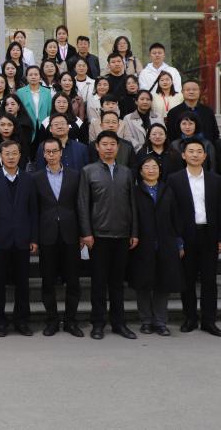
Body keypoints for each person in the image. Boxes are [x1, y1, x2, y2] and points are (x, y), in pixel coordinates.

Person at [163, 138, 221, 336]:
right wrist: (176, 239)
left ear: (205, 156)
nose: (195, 154)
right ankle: (190, 318)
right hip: (186, 236)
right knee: (188, 280)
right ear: (183, 155)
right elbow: (171, 211)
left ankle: (209, 321)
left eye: (199, 151)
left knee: (209, 280)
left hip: (209, 235)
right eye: (191, 151)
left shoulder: (215, 180)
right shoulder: (174, 180)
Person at [78, 130, 139, 340]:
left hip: (122, 235)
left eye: (112, 144)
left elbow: (132, 204)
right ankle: (98, 323)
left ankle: (119, 323)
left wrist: (134, 232)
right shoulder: (88, 171)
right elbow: (83, 204)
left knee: (117, 283)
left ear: (118, 147)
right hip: (98, 236)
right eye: (104, 144)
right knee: (98, 283)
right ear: (97, 147)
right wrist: (86, 233)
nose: (109, 147)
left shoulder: (126, 172)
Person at [0, 140, 38, 338]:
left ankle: (21, 320)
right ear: (0, 156)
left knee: (22, 283)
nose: (11, 157)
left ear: (20, 156)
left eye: (14, 153)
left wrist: (34, 238)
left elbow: (33, 211)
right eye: (7, 154)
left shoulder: (29, 179)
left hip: (22, 239)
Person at [32, 138, 83, 337]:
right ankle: (52, 321)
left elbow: (80, 206)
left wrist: (83, 233)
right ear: (44, 154)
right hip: (47, 235)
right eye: (48, 152)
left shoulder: (75, 175)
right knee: (48, 281)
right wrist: (34, 237)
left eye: (55, 151)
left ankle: (71, 321)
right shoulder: (36, 178)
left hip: (70, 234)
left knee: (73, 281)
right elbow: (34, 210)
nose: (51, 155)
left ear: (61, 152)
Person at [131, 155, 181, 336]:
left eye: (154, 167)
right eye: (147, 167)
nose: (151, 170)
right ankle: (145, 320)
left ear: (160, 171)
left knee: (162, 284)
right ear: (140, 171)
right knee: (143, 284)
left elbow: (176, 217)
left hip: (165, 243)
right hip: (142, 244)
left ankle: (160, 321)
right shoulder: (134, 191)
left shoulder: (168, 190)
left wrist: (179, 243)